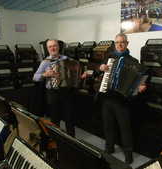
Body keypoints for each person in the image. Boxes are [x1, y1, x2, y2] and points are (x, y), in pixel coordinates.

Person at [95, 33, 147, 164]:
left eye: (122, 42)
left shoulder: (133, 61)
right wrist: (99, 68)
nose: (119, 44)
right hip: (107, 98)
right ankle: (109, 148)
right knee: (108, 126)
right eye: (117, 42)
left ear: (127, 43)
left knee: (125, 128)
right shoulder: (108, 58)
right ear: (115, 44)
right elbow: (97, 70)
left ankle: (128, 153)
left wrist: (141, 88)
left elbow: (138, 82)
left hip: (122, 101)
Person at [33, 39, 87, 138]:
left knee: (69, 118)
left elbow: (76, 72)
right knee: (55, 119)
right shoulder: (45, 62)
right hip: (53, 93)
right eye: (50, 46)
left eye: (54, 45)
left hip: (66, 93)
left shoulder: (67, 59)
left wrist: (81, 76)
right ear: (47, 49)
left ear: (58, 47)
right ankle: (56, 139)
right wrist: (45, 74)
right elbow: (35, 77)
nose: (53, 48)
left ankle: (72, 140)